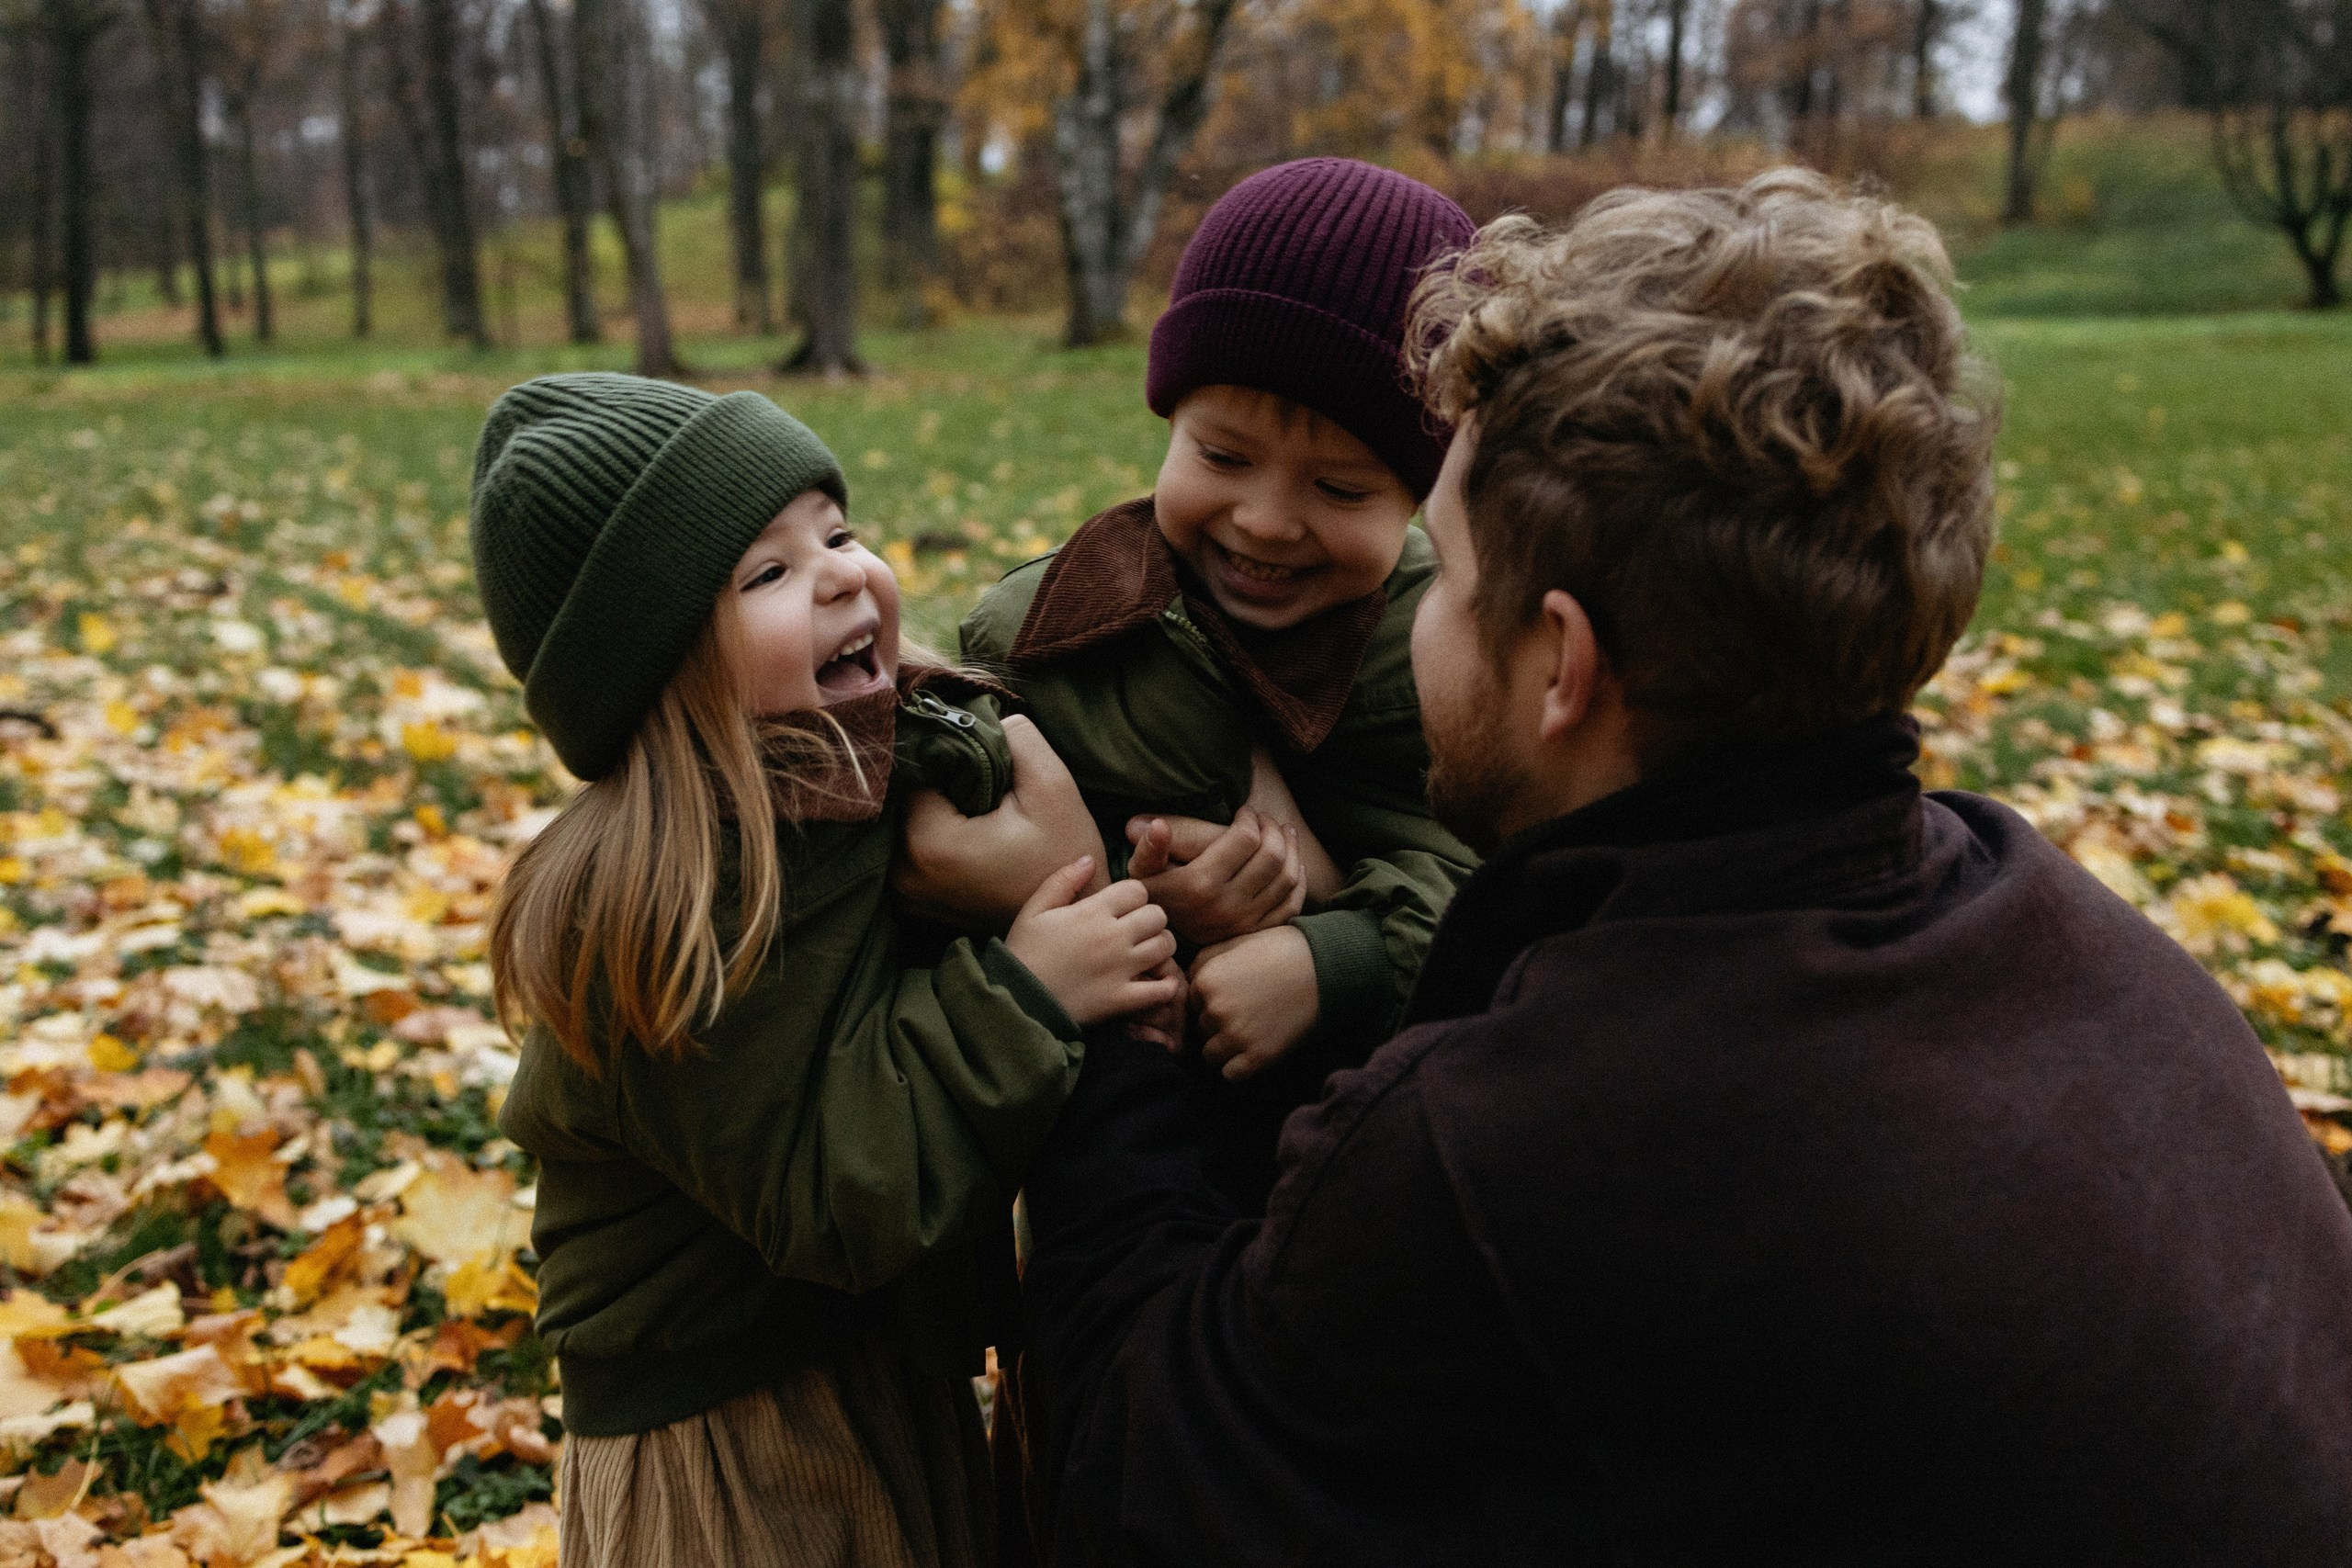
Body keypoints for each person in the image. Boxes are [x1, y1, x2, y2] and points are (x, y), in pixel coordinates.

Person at [1017, 171, 2352, 1565]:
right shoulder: (2068, 931)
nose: (1419, 616)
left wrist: (1100, 956)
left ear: (1562, 664)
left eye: (1449, 571)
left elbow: (1138, 1464)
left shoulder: (1527, 1135)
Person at [470, 373, 1177, 1568]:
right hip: (727, 1441)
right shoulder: (656, 905)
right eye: (769, 573)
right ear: (659, 672)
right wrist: (1026, 991)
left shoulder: (866, 767)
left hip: (883, 1370)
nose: (848, 572)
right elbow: (835, 1185)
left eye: (838, 532)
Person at [948, 158, 1483, 1185]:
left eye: (1337, 486)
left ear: (1417, 495)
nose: (1265, 520)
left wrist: (1332, 955)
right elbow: (958, 872)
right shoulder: (1053, 636)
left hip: (1375, 1167)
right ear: (1167, 422)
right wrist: (1148, 899)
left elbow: (1491, 885)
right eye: (1223, 459)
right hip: (1117, 1162)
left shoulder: (1442, 645)